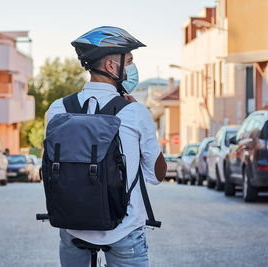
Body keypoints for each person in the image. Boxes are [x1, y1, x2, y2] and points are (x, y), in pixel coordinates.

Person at [46, 26, 167, 267]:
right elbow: (157, 175)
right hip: (124, 230)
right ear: (112, 67)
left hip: (72, 228)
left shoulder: (57, 109)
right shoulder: (134, 112)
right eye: (129, 60)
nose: (132, 67)